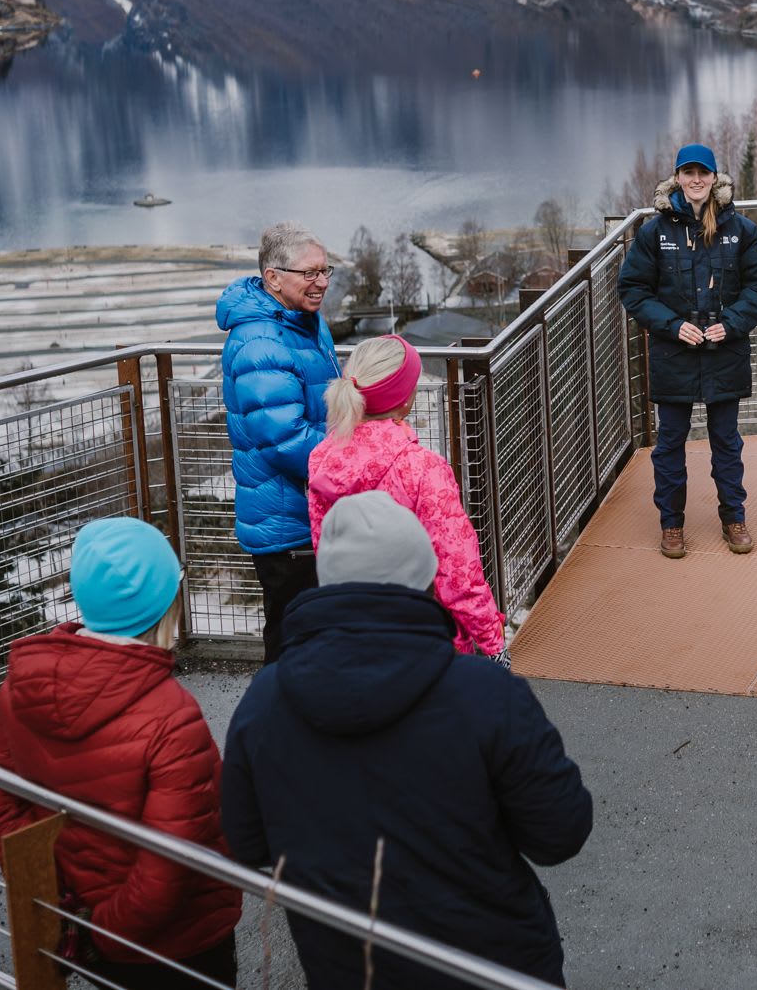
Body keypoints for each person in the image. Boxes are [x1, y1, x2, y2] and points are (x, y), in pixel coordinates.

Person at [220, 491, 593, 990]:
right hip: (492, 962)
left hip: (347, 966)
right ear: (421, 575)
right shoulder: (485, 694)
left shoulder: (265, 701)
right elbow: (560, 832)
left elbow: (247, 841)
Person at [0, 519, 243, 989]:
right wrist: (106, 932)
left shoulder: (19, 690)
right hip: (180, 945)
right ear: (166, 606)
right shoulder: (171, 716)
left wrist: (63, 908)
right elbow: (174, 859)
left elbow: (4, 807)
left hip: (85, 925)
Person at [616, 143, 757, 558]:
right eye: (688, 173)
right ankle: (671, 525)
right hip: (675, 355)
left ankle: (733, 518)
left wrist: (733, 323)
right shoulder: (655, 232)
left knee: (727, 441)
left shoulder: (741, 229)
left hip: (725, 353)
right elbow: (633, 289)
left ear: (713, 178)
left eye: (702, 173)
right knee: (670, 443)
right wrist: (673, 326)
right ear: (677, 178)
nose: (696, 180)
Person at [308, 334, 504, 657]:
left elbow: (324, 552)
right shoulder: (423, 469)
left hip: (351, 634)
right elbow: (458, 572)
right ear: (404, 398)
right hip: (427, 639)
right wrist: (493, 644)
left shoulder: (321, 461)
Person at [217, 221, 341, 664]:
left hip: (307, 510)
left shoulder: (302, 321)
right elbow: (284, 437)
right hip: (287, 520)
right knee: (292, 638)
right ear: (273, 277)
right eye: (309, 273)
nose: (322, 282)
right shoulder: (259, 341)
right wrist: (355, 458)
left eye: (326, 270)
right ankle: (275, 725)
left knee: (310, 632)